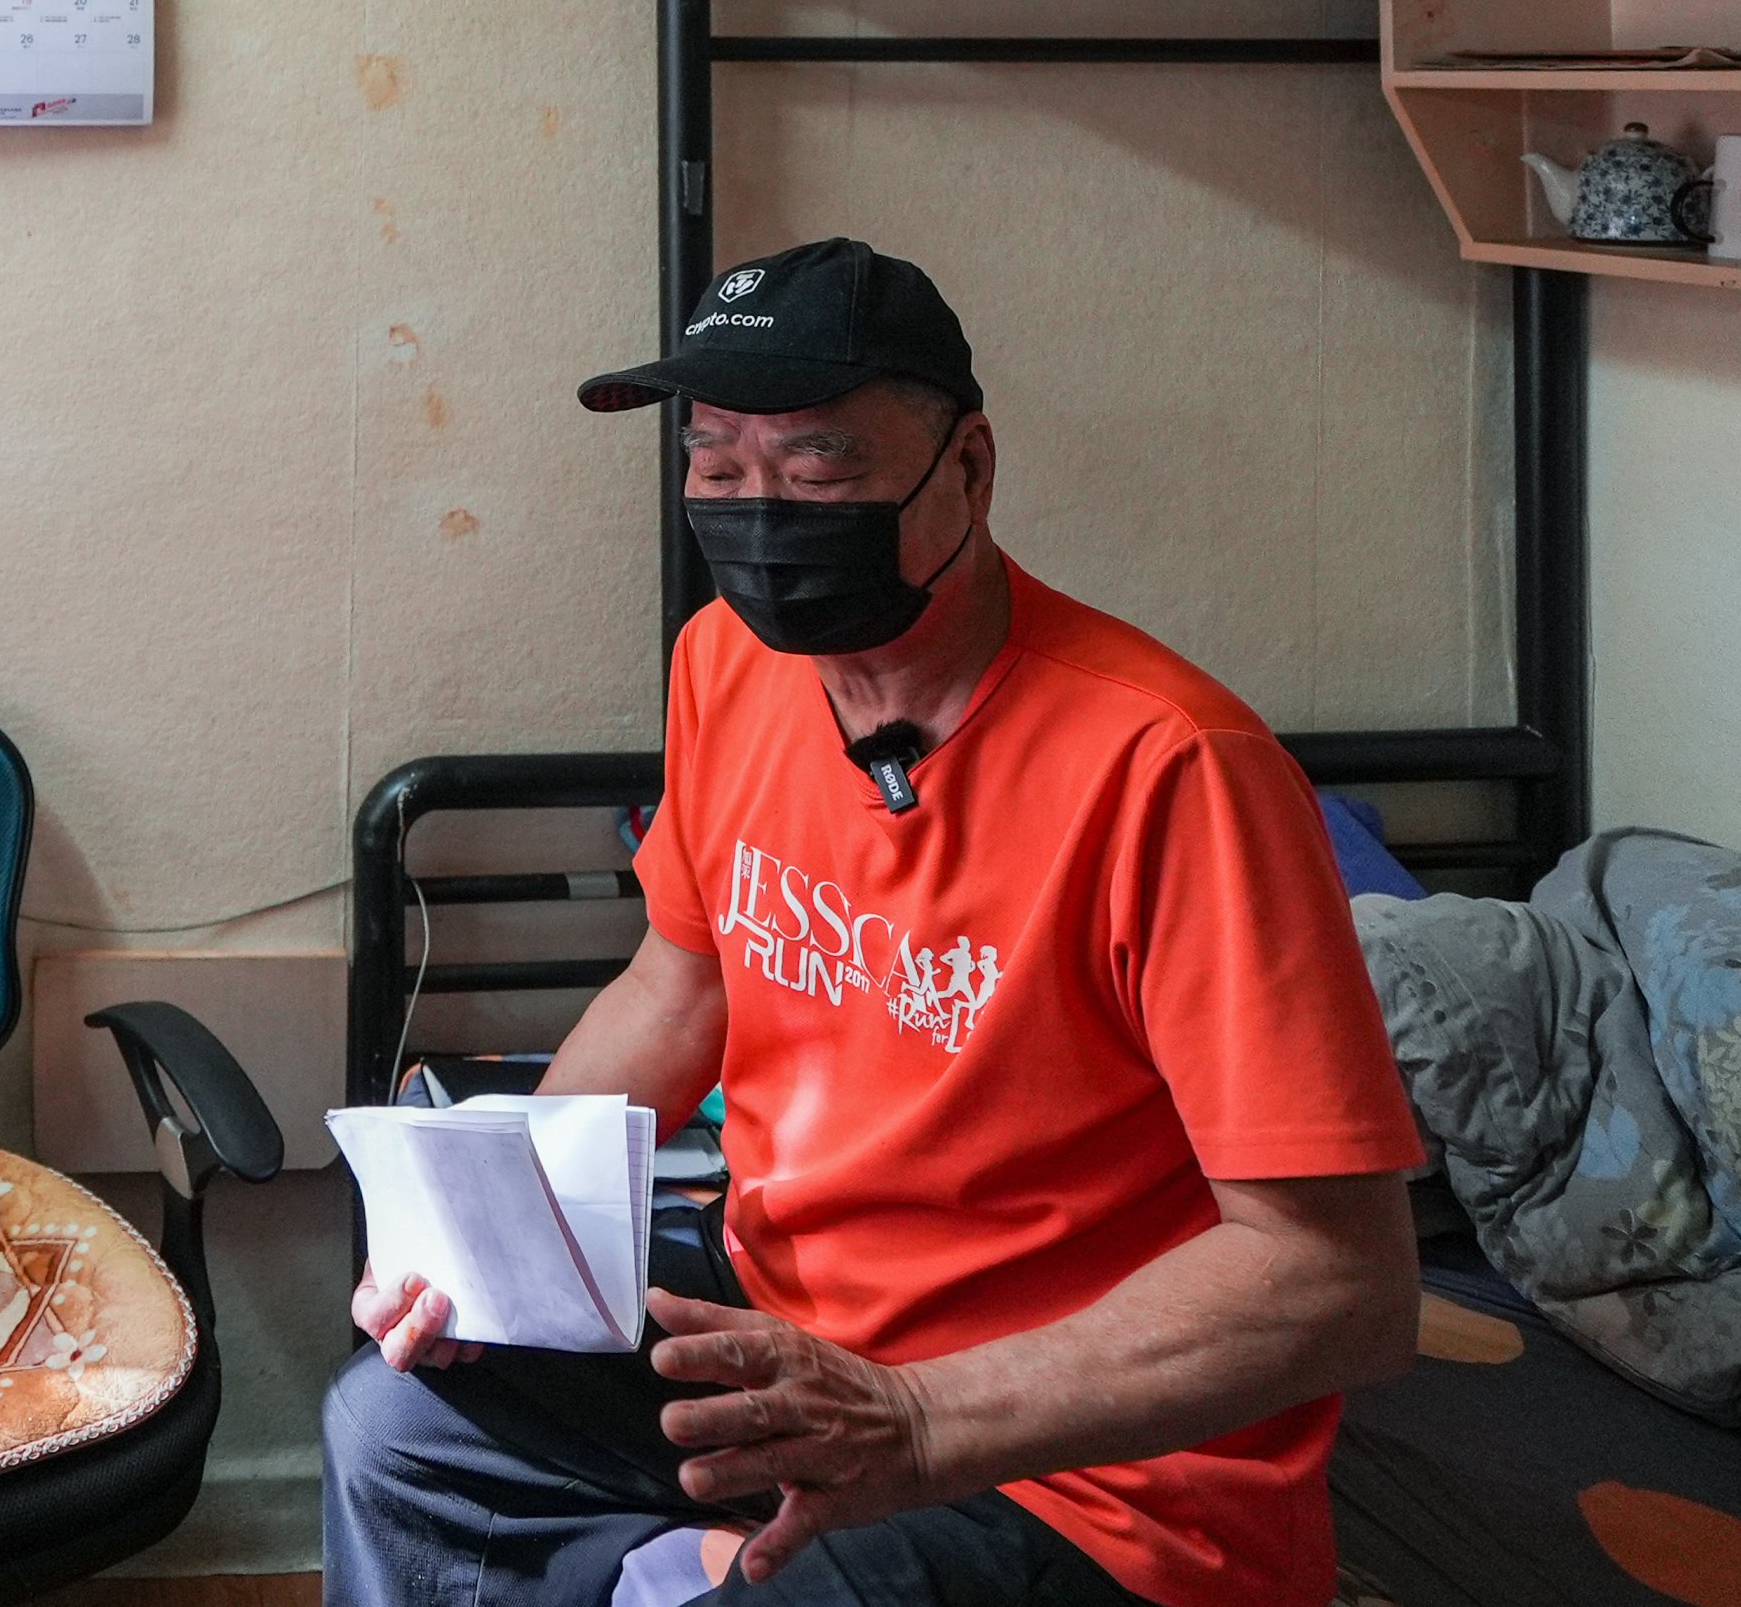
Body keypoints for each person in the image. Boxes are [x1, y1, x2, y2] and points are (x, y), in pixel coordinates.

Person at [325, 238, 1426, 1607]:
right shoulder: (727, 668)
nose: (760, 507)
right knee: (399, 1429)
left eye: (822, 468)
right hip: (786, 1338)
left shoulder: (1173, 767)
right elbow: (680, 989)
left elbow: (1342, 1284)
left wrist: (915, 1417)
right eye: (718, 467)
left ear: (968, 462)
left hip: (1080, 1470)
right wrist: (498, 1247)